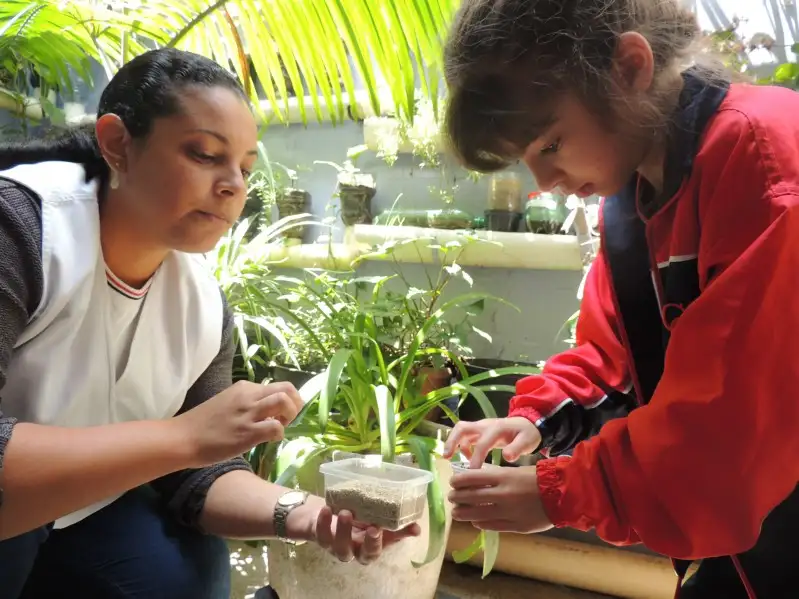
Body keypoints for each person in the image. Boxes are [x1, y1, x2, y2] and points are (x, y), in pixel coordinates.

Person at [0, 48, 418, 599]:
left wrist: (308, 514)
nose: (233, 186)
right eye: (204, 154)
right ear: (118, 144)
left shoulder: (198, 300)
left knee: (186, 567)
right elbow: (186, 445)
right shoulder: (22, 230)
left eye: (244, 168)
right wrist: (184, 436)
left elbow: (200, 476)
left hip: (78, 516)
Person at [440, 1, 799, 597]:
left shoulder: (762, 157)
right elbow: (614, 356)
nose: (544, 183)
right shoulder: (630, 199)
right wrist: (531, 419)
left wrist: (562, 493)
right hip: (734, 546)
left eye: (552, 143)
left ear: (630, 67)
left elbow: (729, 424)